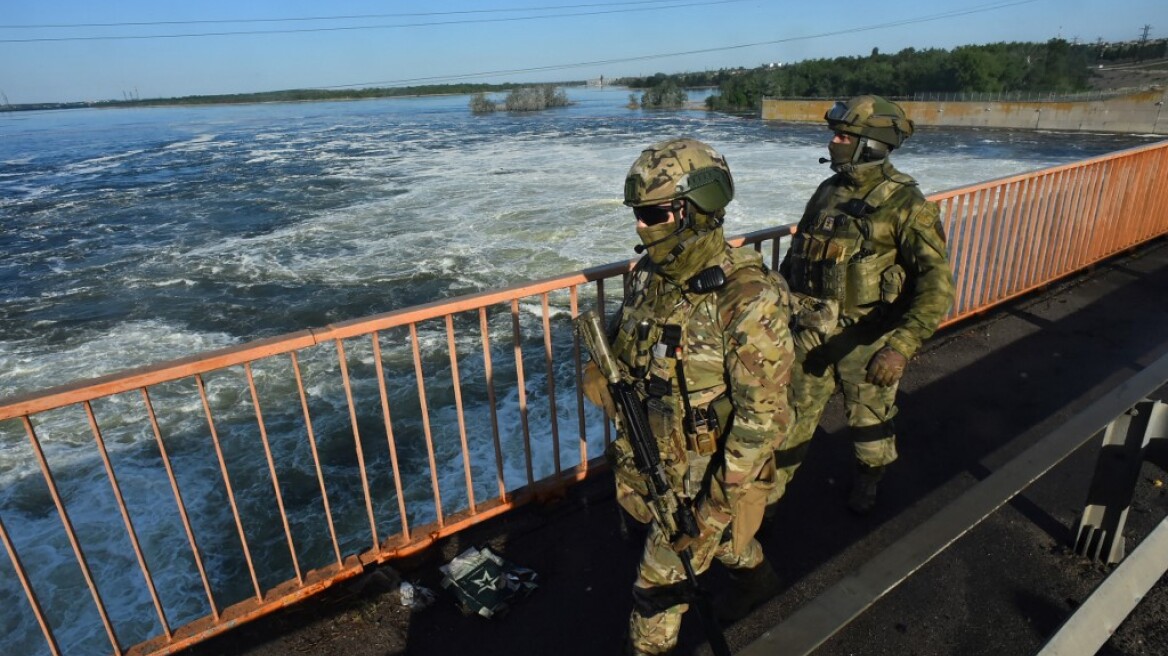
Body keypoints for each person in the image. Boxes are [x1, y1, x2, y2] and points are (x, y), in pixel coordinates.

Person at [582, 137, 794, 654]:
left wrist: (712, 513)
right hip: (649, 459)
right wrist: (601, 361)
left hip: (703, 486)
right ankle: (757, 579)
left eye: (652, 213)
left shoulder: (744, 298)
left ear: (695, 211)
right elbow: (630, 338)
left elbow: (763, 420)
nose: (639, 225)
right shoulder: (653, 276)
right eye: (638, 213)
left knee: (655, 593)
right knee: (720, 550)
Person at [771, 94, 955, 515]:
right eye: (836, 134)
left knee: (869, 423)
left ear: (870, 144)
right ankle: (768, 501)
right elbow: (799, 255)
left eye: (843, 135)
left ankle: (870, 481)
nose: (833, 142)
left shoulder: (906, 204)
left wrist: (901, 345)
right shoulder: (827, 191)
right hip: (811, 336)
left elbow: (937, 283)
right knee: (789, 421)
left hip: (867, 341)